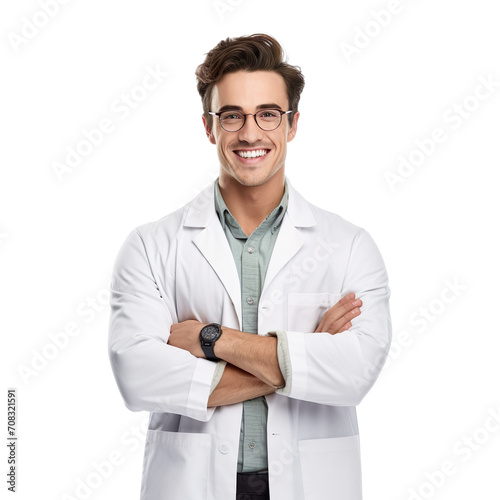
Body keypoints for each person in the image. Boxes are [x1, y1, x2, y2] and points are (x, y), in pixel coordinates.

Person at [108, 33, 392, 500]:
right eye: (232, 115)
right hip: (190, 483)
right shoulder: (151, 246)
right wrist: (307, 355)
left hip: (310, 483)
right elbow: (137, 376)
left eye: (267, 114)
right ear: (209, 126)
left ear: (292, 124)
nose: (250, 133)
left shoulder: (349, 246)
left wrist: (211, 340)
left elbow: (354, 374)